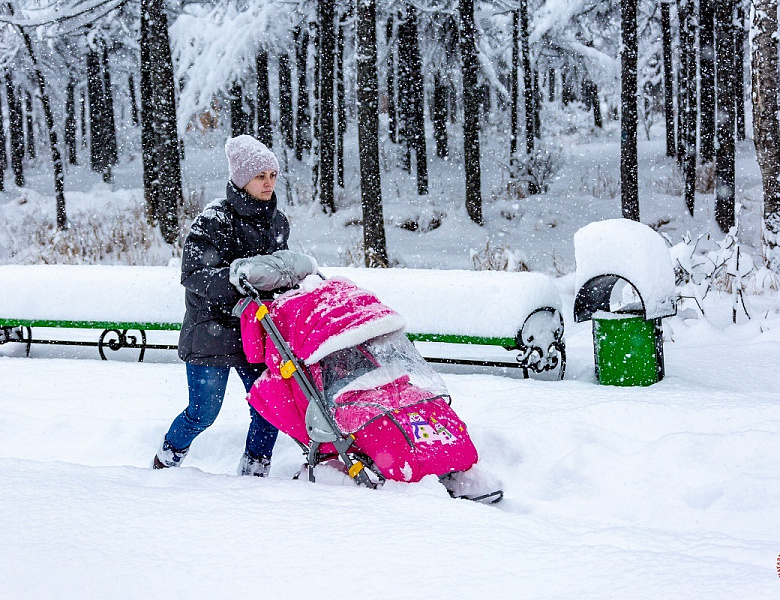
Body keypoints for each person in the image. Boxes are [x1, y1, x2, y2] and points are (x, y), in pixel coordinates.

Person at [153, 134, 315, 476]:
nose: (268, 183)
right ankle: (167, 459)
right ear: (242, 179)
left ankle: (255, 472)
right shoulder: (214, 221)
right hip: (212, 331)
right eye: (260, 176)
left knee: (270, 407)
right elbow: (193, 274)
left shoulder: (277, 222)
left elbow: (276, 274)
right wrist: (238, 280)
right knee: (203, 413)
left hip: (257, 333)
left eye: (272, 175)